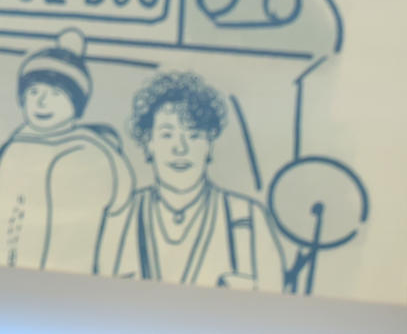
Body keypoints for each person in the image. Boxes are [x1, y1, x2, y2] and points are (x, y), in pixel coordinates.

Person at [101, 72, 287, 290]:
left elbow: (275, 306)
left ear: (209, 144)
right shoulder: (123, 213)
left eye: (194, 135)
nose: (181, 148)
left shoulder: (247, 217)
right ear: (148, 143)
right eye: (167, 135)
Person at [0, 28, 134, 274]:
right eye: (34, 92)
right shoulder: (15, 146)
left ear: (76, 103)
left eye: (56, 94)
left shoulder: (90, 154)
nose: (42, 102)